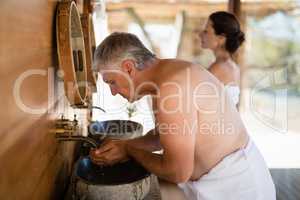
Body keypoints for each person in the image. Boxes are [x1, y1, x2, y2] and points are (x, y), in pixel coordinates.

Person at [90, 32, 276, 200]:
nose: (113, 92)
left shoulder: (172, 87)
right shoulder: (163, 78)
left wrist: (130, 151)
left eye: (111, 82)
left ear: (129, 68)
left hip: (239, 188)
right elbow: (166, 137)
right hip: (217, 184)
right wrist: (125, 145)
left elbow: (178, 171)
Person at [196, 11, 244, 106]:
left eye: (206, 31)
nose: (200, 34)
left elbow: (196, 103)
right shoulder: (232, 66)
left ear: (221, 38)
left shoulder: (219, 68)